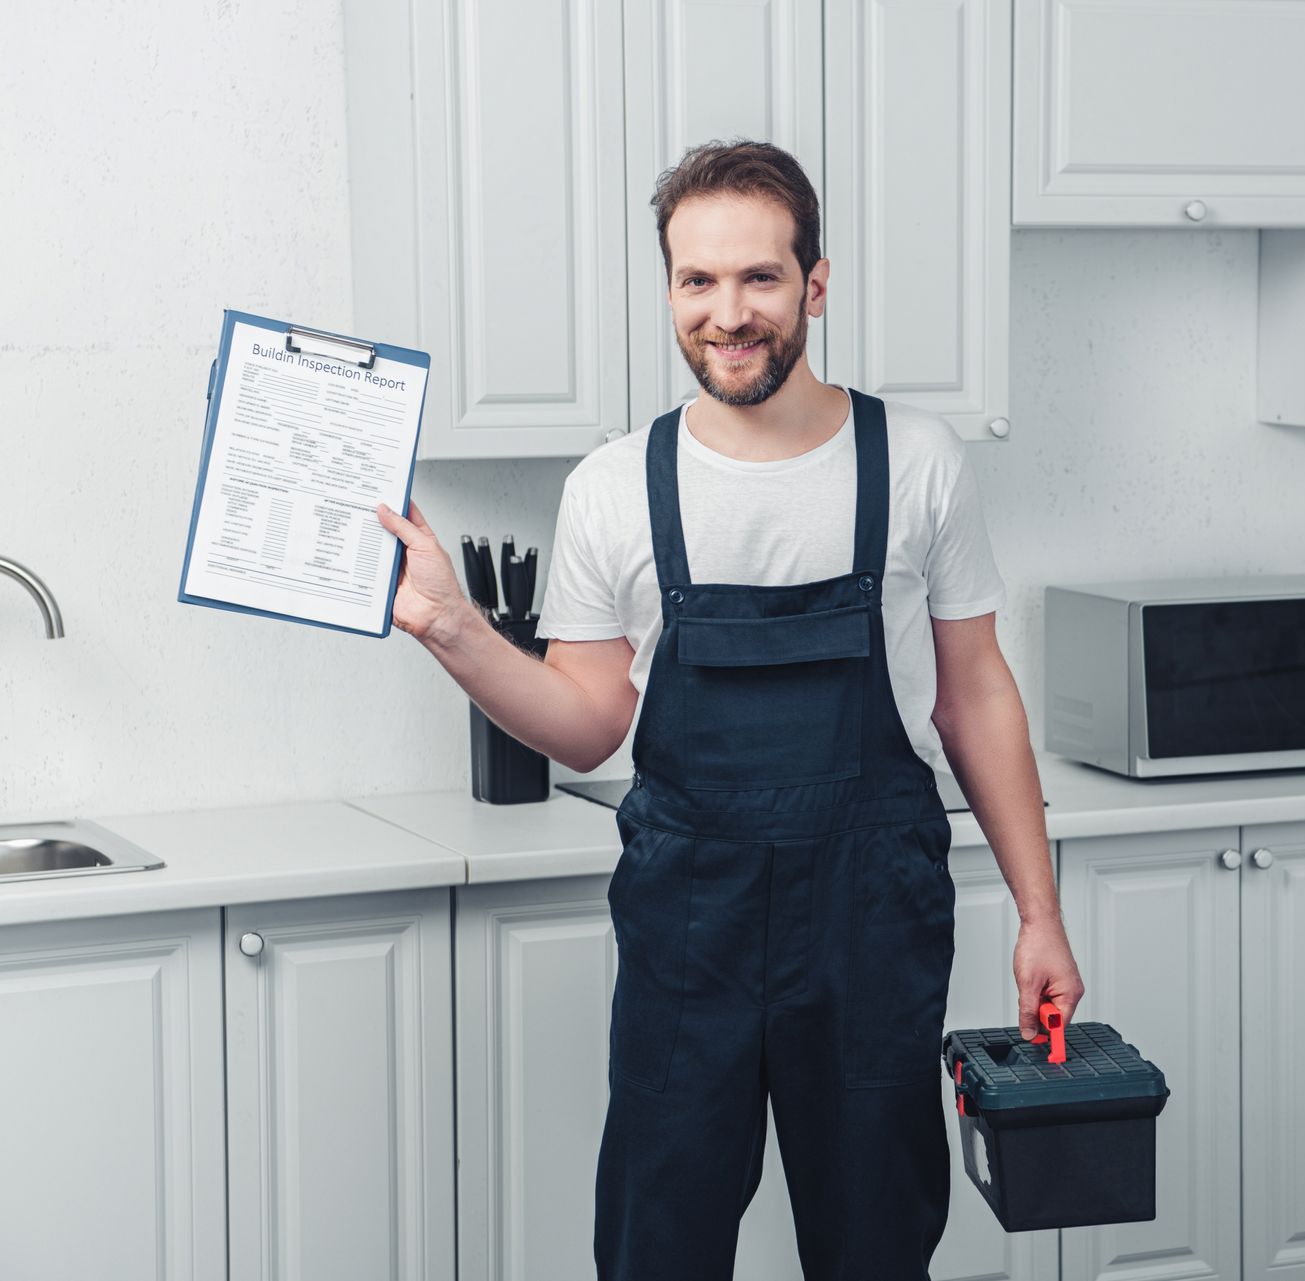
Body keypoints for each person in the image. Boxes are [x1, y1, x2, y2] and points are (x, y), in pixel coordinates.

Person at [374, 138, 1082, 1279]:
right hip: (687, 923)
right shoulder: (613, 486)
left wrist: (1040, 912)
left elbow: (976, 697)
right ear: (668, 289)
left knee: (875, 1243)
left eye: (758, 277)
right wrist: (454, 629)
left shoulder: (917, 464)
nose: (728, 312)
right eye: (696, 280)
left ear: (815, 282)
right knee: (660, 1242)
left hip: (871, 915)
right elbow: (587, 722)